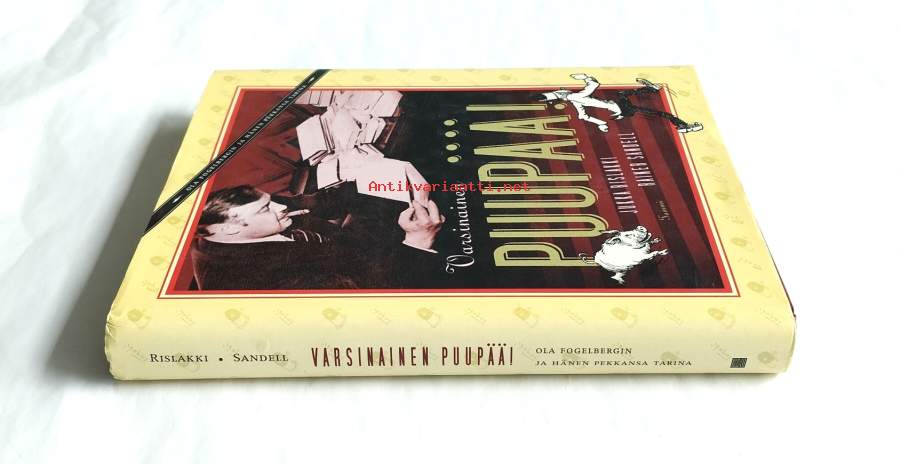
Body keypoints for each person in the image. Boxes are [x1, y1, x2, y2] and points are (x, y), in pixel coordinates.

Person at [190, 184, 444, 290]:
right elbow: (367, 295)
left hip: (357, 249)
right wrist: (418, 243)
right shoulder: (249, 282)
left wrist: (379, 181)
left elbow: (317, 201)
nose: (281, 207)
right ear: (229, 229)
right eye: (266, 208)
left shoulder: (241, 215)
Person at [539, 73, 703, 133]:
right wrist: (586, 77)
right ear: (562, 96)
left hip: (620, 109)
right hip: (621, 107)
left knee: (623, 94)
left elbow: (583, 116)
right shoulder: (575, 97)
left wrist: (601, 124)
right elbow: (594, 85)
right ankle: (683, 126)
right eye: (560, 92)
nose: (563, 90)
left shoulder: (574, 100)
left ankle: (652, 90)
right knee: (658, 113)